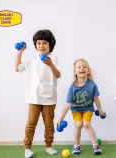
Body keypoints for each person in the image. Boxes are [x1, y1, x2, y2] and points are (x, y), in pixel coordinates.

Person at [14, 29, 60, 158]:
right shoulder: (31, 59)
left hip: (49, 97)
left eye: (45, 43)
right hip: (34, 97)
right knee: (31, 123)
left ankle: (49, 146)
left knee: (49, 124)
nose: (41, 46)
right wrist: (19, 52)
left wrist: (50, 65)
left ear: (50, 44)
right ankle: (27, 148)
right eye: (39, 43)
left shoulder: (54, 58)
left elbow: (58, 75)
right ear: (35, 45)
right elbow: (17, 68)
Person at [57, 59, 105, 155]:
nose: (82, 68)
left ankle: (96, 145)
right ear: (75, 71)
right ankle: (76, 146)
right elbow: (67, 105)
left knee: (86, 124)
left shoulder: (92, 85)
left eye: (84, 67)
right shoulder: (73, 87)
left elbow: (96, 99)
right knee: (78, 124)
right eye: (79, 67)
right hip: (76, 110)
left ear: (88, 70)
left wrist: (100, 110)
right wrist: (60, 119)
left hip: (88, 109)